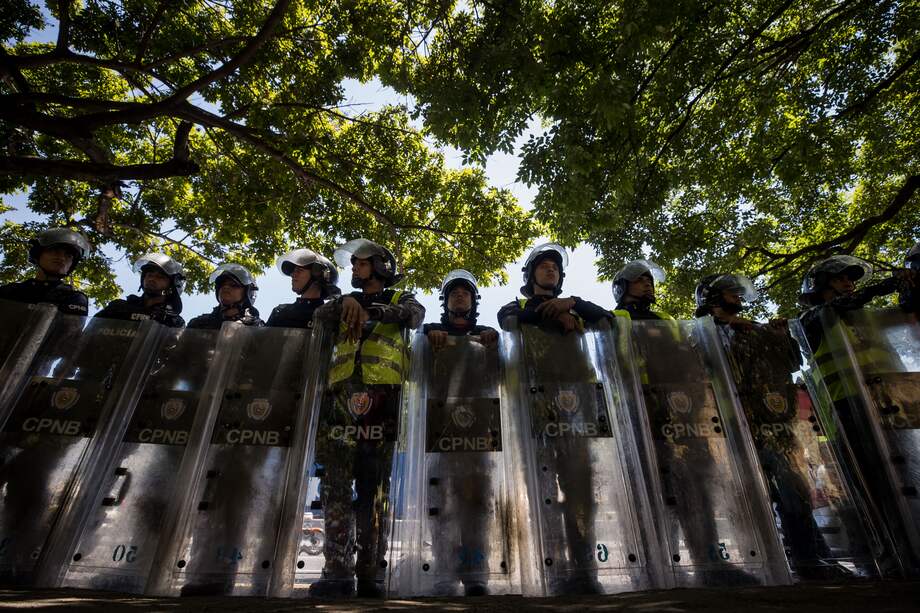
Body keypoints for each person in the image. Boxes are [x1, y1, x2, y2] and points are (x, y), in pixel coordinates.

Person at [696, 273, 849, 579]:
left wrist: (781, 337)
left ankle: (812, 557)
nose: (739, 297)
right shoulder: (700, 332)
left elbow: (792, 364)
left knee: (795, 489)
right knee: (758, 495)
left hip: (775, 422)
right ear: (712, 298)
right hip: (735, 424)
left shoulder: (753, 329)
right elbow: (704, 368)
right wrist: (724, 331)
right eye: (731, 292)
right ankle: (775, 560)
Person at [613, 261, 755, 586]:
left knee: (695, 486)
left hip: (680, 413)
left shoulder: (667, 321)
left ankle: (710, 562)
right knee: (651, 491)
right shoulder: (616, 318)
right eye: (639, 280)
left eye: (650, 280)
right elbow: (618, 363)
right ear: (622, 287)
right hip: (641, 412)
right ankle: (655, 567)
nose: (647, 284)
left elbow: (687, 360)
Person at [310, 239, 424, 598]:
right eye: (354, 264)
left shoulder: (401, 298)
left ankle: (371, 573)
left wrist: (370, 310)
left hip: (382, 399)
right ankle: (337, 572)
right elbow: (319, 318)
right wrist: (345, 302)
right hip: (340, 398)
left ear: (380, 267)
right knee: (335, 487)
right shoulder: (341, 303)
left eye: (362, 263)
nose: (356, 269)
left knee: (375, 489)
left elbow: (414, 315)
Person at [498, 243, 611, 594]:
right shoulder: (517, 306)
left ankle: (584, 568)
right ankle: (554, 566)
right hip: (537, 404)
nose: (550, 271)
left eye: (555, 268)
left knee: (581, 489)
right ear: (530, 275)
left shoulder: (577, 307)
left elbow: (607, 320)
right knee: (543, 490)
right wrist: (552, 312)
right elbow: (507, 319)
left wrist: (572, 304)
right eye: (543, 266)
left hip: (580, 406)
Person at [798, 255, 915, 573]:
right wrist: (888, 284)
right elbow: (835, 309)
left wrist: (909, 286)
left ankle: (913, 550)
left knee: (909, 481)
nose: (848, 283)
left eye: (850, 278)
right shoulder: (814, 319)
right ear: (820, 287)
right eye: (838, 279)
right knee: (872, 488)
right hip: (849, 411)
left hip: (893, 405)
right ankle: (886, 560)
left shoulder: (869, 317)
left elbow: (909, 315)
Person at [423, 270, 499, 596]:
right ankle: (445, 572)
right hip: (441, 430)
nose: (459, 297)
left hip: (479, 430)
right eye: (454, 292)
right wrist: (430, 338)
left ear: (473, 300)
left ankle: (476, 570)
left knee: (478, 503)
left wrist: (494, 346)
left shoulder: (487, 335)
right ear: (445, 299)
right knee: (442, 501)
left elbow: (497, 380)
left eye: (465, 293)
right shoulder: (429, 333)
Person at [0, 227, 91, 315]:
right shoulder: (9, 291)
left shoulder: (74, 298)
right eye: (55, 251)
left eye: (69, 256)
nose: (62, 258)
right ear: (37, 254)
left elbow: (70, 329)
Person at [95, 253, 185, 327]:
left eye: (160, 277)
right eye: (149, 275)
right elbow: (88, 335)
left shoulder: (174, 321)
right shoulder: (118, 307)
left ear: (172, 286)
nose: (152, 279)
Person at [266, 249, 340, 328]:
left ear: (317, 275)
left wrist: (347, 299)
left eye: (299, 270)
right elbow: (260, 337)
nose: (293, 275)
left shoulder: (330, 315)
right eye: (293, 271)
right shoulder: (280, 312)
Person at [187, 263, 263, 329]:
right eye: (222, 285)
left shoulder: (257, 326)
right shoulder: (199, 324)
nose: (225, 287)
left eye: (233, 285)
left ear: (248, 292)